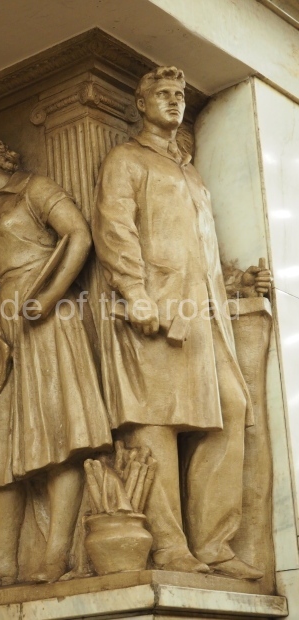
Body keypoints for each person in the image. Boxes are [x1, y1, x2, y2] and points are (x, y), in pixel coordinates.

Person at [91, 66, 270, 579]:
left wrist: (236, 282)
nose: (174, 102)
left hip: (203, 313)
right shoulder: (126, 159)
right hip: (155, 310)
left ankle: (213, 543)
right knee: (156, 423)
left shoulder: (190, 172)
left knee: (231, 408)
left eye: (179, 95)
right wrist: (135, 293)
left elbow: (198, 248)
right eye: (163, 94)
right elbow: (114, 229)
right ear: (141, 104)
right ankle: (170, 546)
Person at [0, 137, 112, 591]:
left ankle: (56, 553)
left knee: (60, 431)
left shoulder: (34, 188)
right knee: (0, 440)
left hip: (48, 319)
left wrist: (51, 294)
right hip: (7, 331)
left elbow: (79, 234)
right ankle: (2, 559)